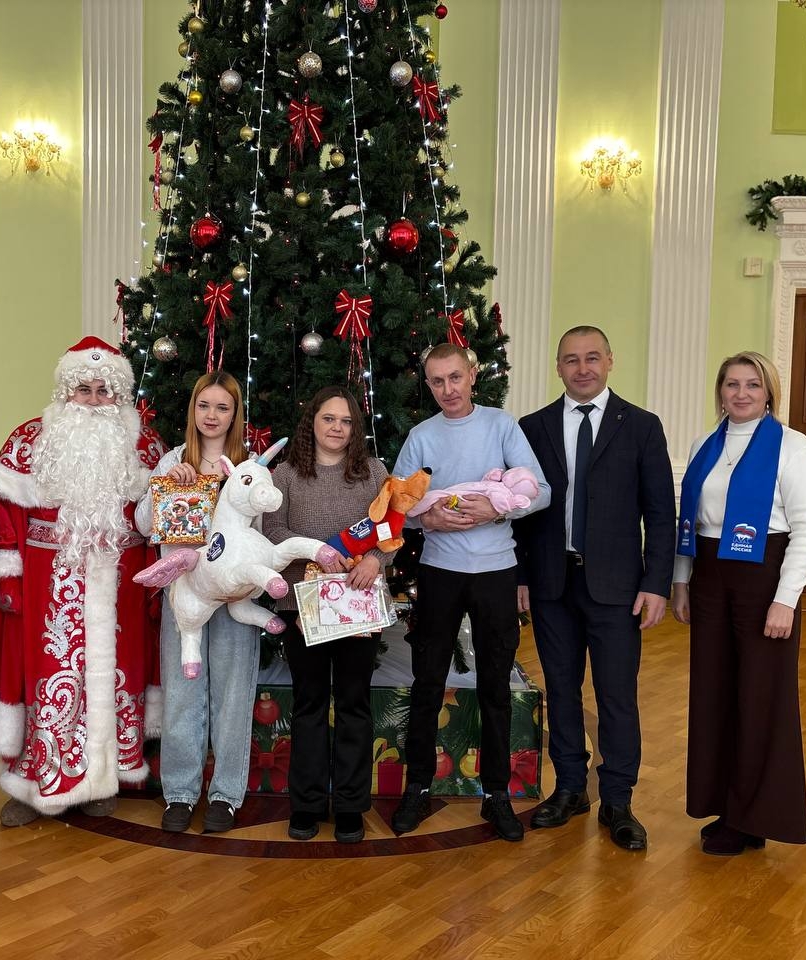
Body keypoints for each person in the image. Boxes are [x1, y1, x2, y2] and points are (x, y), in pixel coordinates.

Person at [0, 337, 165, 825]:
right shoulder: (30, 439)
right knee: (45, 674)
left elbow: (161, 519)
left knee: (117, 675)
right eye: (83, 389)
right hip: (47, 583)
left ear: (118, 395)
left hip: (122, 583)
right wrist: (8, 572)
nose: (93, 400)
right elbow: (4, 515)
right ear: (65, 391)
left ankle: (103, 778)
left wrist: (156, 579)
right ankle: (35, 783)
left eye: (103, 390)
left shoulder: (145, 445)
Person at [513, 326, 675, 852]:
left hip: (618, 588)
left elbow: (660, 513)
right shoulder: (532, 427)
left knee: (616, 696)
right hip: (551, 583)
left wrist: (656, 583)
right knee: (561, 690)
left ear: (610, 361)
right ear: (557, 367)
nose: (582, 368)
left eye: (591, 358)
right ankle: (569, 789)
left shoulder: (642, 426)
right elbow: (519, 510)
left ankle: (619, 801)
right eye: (571, 359)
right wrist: (520, 576)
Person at [390, 344, 550, 841]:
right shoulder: (421, 435)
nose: (448, 389)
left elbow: (540, 490)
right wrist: (426, 520)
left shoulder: (502, 426)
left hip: (496, 572)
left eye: (455, 377)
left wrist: (498, 509)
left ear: (473, 375)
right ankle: (418, 786)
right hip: (439, 573)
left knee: (496, 684)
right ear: (428, 384)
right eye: (437, 381)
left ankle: (496, 793)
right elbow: (396, 504)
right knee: (427, 681)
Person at [672, 351, 806, 856]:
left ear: (769, 391)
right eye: (732, 384)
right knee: (714, 692)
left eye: (752, 384)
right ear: (720, 391)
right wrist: (682, 581)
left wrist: (786, 600)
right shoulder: (705, 444)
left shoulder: (793, 447)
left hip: (764, 578)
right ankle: (724, 805)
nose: (741, 393)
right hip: (711, 576)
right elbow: (691, 521)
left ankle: (754, 817)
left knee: (760, 696)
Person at [134, 371, 259, 834]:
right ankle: (181, 793)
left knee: (232, 695)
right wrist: (166, 484)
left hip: (232, 598)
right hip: (184, 598)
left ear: (234, 414)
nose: (212, 415)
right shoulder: (173, 459)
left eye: (222, 407)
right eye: (204, 406)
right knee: (183, 694)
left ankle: (225, 794)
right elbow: (144, 524)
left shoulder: (247, 466)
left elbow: (262, 534)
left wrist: (250, 587)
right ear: (193, 410)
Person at [262, 386, 389, 844]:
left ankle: (351, 805)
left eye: (346, 421)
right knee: (310, 705)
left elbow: (389, 527)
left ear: (356, 428)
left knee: (354, 704)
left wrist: (376, 559)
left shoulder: (374, 473)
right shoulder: (286, 475)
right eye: (328, 419)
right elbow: (273, 531)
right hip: (304, 608)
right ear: (312, 422)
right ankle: (308, 804)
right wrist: (312, 562)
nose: (337, 428)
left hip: (358, 607)